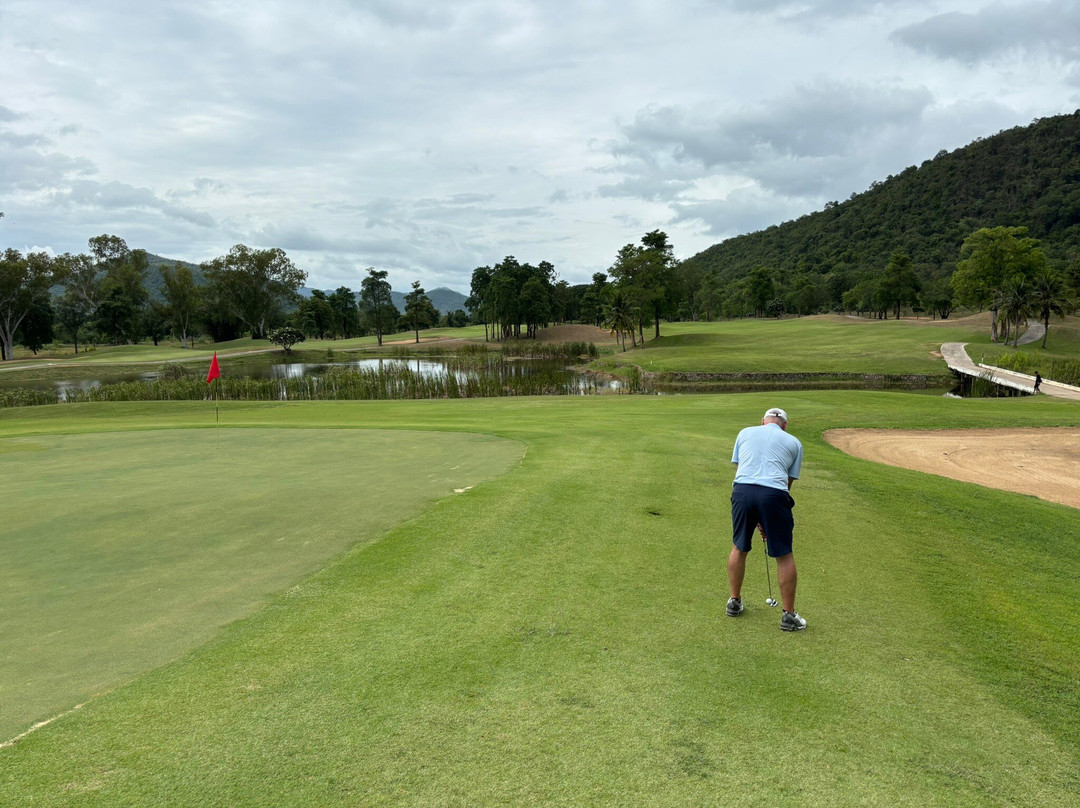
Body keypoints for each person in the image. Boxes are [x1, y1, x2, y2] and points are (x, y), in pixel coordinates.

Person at [726, 407, 807, 631]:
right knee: (783, 554)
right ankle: (789, 616)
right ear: (785, 425)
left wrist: (758, 516)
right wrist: (766, 519)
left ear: (763, 421)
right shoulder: (794, 443)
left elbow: (742, 469)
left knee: (739, 546)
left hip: (742, 491)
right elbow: (787, 483)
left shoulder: (744, 432)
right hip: (774, 495)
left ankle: (734, 602)